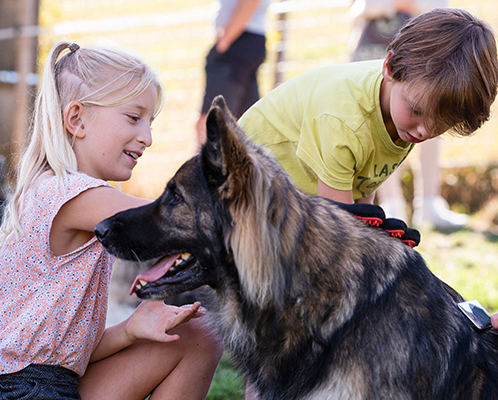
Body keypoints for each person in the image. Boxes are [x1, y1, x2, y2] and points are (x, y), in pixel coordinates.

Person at [0, 41, 223, 400]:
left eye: (150, 122)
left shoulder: (74, 195)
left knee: (198, 335)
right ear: (76, 119)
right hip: (19, 389)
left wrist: (130, 330)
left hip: (51, 381)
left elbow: (65, 357)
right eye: (134, 117)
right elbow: (170, 220)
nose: (147, 138)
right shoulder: (70, 193)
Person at [237, 8, 498, 206]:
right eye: (417, 111)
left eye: (442, 122)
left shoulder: (403, 107)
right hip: (246, 191)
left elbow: (362, 187)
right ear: (389, 67)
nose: (425, 131)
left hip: (298, 201)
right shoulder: (344, 118)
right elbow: (339, 229)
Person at [348, 0, 468, 229]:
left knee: (430, 123)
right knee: (382, 129)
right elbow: (359, 9)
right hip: (373, 53)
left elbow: (441, 11)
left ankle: (430, 204)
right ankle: (391, 205)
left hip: (427, 55)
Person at [196, 0, 271, 144]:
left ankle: (205, 165)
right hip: (245, 40)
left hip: (239, 40)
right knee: (247, 121)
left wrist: (224, 42)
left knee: (210, 123)